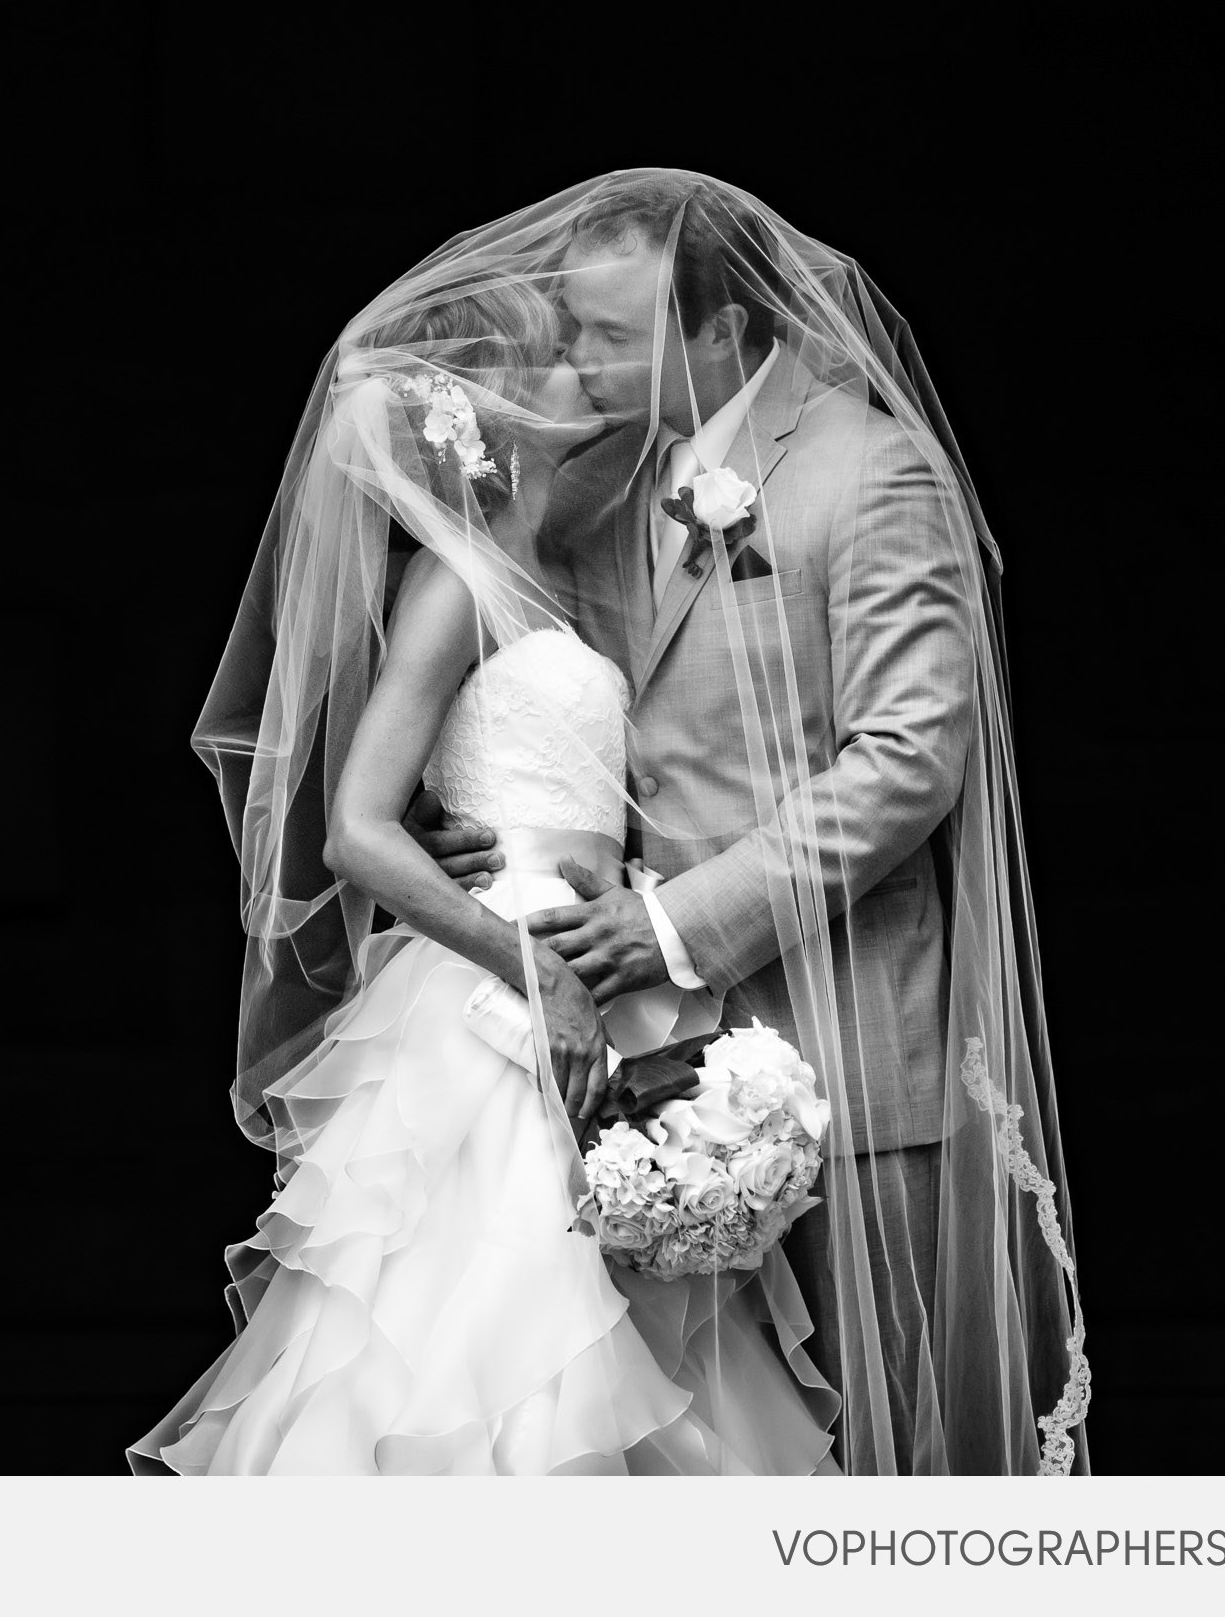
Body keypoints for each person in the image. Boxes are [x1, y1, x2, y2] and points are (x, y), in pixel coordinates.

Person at [167, 170, 1088, 1476]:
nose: (580, 363)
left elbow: (906, 759)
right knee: (626, 1424)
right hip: (633, 1067)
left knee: (883, 1458)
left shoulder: (871, 470)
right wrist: (455, 808)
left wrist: (661, 922)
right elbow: (522, 687)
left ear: (718, 330)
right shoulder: (606, 486)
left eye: (611, 333)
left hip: (839, 1041)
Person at [129, 274, 839, 1474]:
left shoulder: (556, 577)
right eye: (562, 350)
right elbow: (358, 830)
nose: (588, 360)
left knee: (637, 1328)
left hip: (601, 966)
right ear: (501, 408)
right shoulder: (454, 577)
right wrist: (532, 966)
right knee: (507, 1336)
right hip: (501, 991)